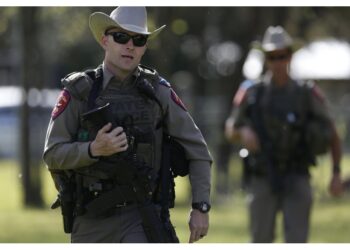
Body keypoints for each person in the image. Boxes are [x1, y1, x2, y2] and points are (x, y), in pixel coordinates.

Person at [43, 6, 212, 243]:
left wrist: (201, 207)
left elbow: (198, 151)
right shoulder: (79, 91)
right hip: (91, 220)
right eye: (121, 37)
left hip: (141, 217)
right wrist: (93, 149)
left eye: (139, 40)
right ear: (105, 41)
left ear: (144, 47)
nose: (130, 46)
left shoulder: (158, 91)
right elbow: (52, 153)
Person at [225, 26, 343, 243]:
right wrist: (243, 131)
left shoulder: (307, 93)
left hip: (297, 176)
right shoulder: (251, 91)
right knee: (260, 240)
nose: (278, 62)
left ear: (290, 57)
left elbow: (333, 132)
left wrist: (336, 173)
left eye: (283, 56)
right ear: (266, 59)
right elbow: (230, 128)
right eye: (272, 57)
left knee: (297, 241)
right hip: (262, 177)